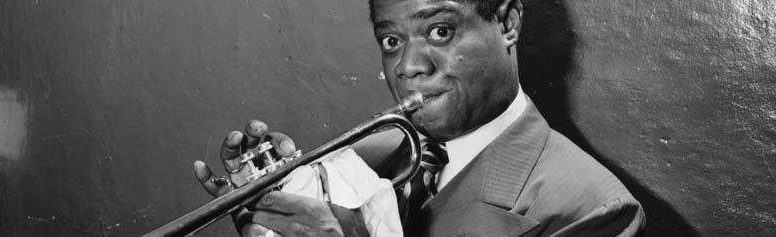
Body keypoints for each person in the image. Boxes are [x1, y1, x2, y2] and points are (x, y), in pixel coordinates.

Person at [193, 0, 646, 236]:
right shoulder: (366, 156)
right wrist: (282, 209)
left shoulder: (594, 212)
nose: (408, 66)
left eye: (440, 31)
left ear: (508, 23)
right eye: (391, 40)